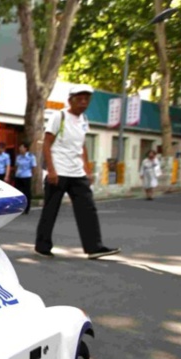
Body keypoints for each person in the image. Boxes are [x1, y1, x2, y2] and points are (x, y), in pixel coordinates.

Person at [34, 84, 120, 260]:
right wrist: (51, 170)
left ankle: (94, 248)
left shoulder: (83, 120)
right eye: (79, 98)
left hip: (77, 172)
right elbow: (47, 144)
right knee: (51, 209)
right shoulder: (60, 116)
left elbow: (82, 146)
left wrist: (87, 170)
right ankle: (42, 246)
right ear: (70, 100)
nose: (83, 102)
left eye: (86, 99)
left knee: (88, 208)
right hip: (58, 172)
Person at [13, 142, 36, 214]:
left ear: (26, 148)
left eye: (22, 147)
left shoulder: (31, 157)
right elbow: (16, 166)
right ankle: (17, 207)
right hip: (18, 176)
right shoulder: (18, 157)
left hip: (26, 176)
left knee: (27, 193)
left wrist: (32, 175)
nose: (20, 149)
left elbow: (33, 167)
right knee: (17, 192)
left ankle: (27, 208)